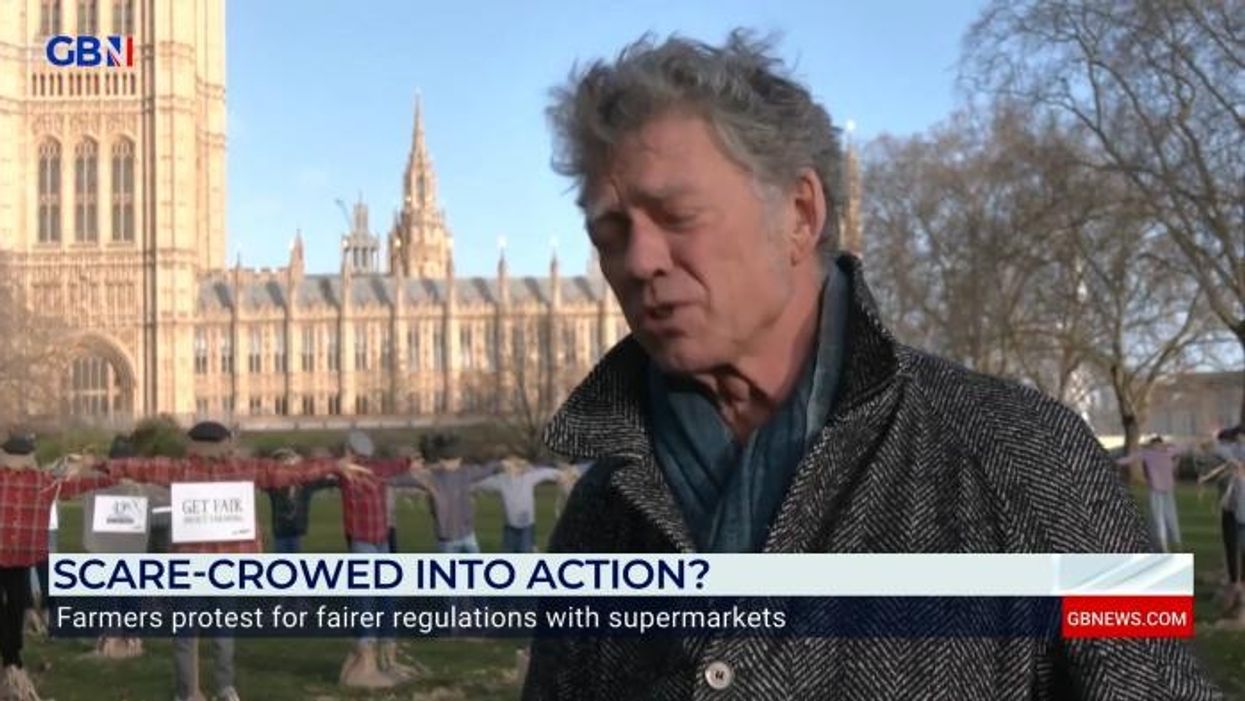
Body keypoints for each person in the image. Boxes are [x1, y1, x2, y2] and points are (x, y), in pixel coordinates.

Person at [522, 30, 1219, 699]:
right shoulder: (599, 515)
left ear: (800, 213)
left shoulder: (1035, 452)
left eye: (676, 215)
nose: (639, 260)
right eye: (610, 233)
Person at [102, 421, 361, 701]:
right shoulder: (232, 469)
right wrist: (334, 465)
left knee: (195, 635)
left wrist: (98, 465)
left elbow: (139, 467)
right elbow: (288, 472)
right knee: (216, 633)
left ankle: (198, 691)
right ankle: (212, 689)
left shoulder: (188, 470)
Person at [0, 435, 114, 701]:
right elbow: (84, 483)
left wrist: (107, 472)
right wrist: (108, 471)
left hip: (18, 559)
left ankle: (12, 662)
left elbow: (82, 484)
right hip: (18, 557)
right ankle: (12, 662)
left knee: (15, 609)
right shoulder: (44, 482)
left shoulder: (44, 483)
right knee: (14, 609)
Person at [332, 430, 424, 689]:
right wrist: (409, 462)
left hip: (371, 541)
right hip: (373, 541)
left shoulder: (356, 472)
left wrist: (407, 463)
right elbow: (394, 466)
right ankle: (372, 660)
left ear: (349, 451)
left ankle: (378, 656)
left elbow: (391, 466)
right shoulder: (369, 470)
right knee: (375, 598)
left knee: (374, 598)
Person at [1116, 436, 1190, 552]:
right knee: (1158, 518)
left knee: (1171, 516)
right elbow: (1129, 459)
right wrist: (1115, 462)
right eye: (1155, 445)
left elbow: (1183, 448)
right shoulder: (1148, 454)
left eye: (1159, 445)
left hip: (1168, 489)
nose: (1158, 447)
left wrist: (1171, 445)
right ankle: (1163, 544)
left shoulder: (1168, 452)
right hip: (1156, 490)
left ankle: (1176, 542)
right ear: (1152, 446)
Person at [473, 457, 562, 552]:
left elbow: (545, 473)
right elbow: (482, 484)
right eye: (509, 465)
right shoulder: (501, 480)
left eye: (516, 465)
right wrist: (468, 487)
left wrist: (562, 474)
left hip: (526, 527)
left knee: (524, 552)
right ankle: (532, 547)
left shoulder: (528, 477)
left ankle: (532, 547)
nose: (511, 468)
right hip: (509, 528)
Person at [1200, 427, 1245, 614]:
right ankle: (1235, 586)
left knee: (1238, 548)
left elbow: (1218, 450)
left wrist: (1215, 441)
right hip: (1231, 509)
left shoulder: (1235, 452)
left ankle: (1238, 589)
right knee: (1232, 548)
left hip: (1238, 511)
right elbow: (1212, 450)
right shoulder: (1231, 453)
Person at [263, 447, 336, 554]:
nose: (286, 464)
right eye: (282, 461)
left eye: (288, 459)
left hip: (296, 529)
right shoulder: (274, 485)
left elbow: (326, 481)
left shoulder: (305, 483)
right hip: (281, 530)